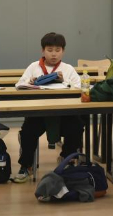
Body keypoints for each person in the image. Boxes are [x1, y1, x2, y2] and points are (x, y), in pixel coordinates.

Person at [11, 32, 84, 183]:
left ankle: (66, 158)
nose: (54, 54)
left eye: (58, 50)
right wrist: (30, 83)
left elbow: (78, 88)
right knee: (27, 132)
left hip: (64, 114)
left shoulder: (68, 69)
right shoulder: (34, 67)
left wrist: (64, 82)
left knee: (76, 127)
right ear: (43, 51)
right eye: (50, 50)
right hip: (38, 114)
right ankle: (26, 165)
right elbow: (19, 85)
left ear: (63, 51)